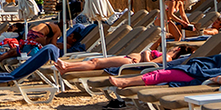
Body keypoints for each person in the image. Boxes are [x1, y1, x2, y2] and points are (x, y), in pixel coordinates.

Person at [105, 40, 221, 89]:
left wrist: (200, 67)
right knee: (158, 74)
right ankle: (126, 82)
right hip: (192, 69)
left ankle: (125, 82)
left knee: (159, 74)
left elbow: (216, 70)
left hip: (195, 73)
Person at [54, 42, 194, 72]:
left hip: (130, 62)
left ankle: (67, 67)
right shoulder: (165, 54)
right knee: (95, 61)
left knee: (96, 62)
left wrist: (145, 53)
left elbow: (151, 64)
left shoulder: (168, 58)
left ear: (178, 49)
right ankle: (67, 66)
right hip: (130, 59)